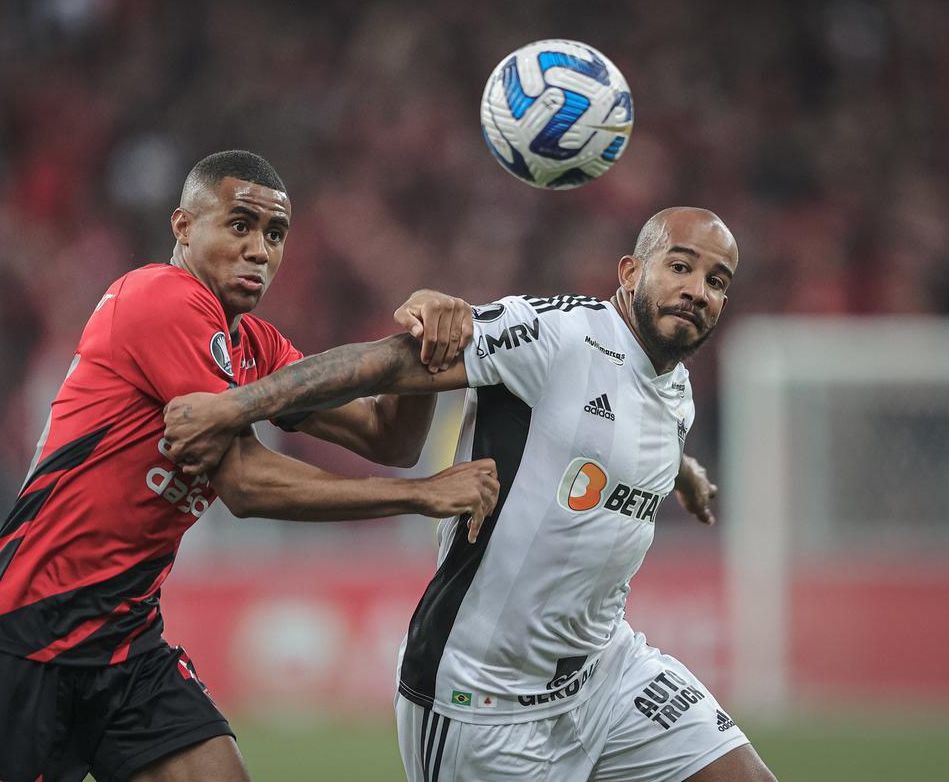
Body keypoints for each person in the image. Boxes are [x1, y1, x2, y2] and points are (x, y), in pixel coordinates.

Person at [0, 150, 501, 782]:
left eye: (275, 234)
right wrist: (420, 495)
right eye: (240, 225)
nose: (260, 249)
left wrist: (420, 348)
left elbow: (386, 438)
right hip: (27, 629)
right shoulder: (159, 297)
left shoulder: (253, 345)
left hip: (126, 636)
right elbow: (245, 483)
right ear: (182, 226)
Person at [163, 207, 776, 782]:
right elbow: (383, 365)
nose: (698, 289)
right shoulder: (555, 336)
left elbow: (623, 430)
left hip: (606, 671)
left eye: (717, 281)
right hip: (480, 701)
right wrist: (234, 407)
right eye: (681, 266)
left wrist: (682, 474)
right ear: (631, 271)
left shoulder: (677, 387)